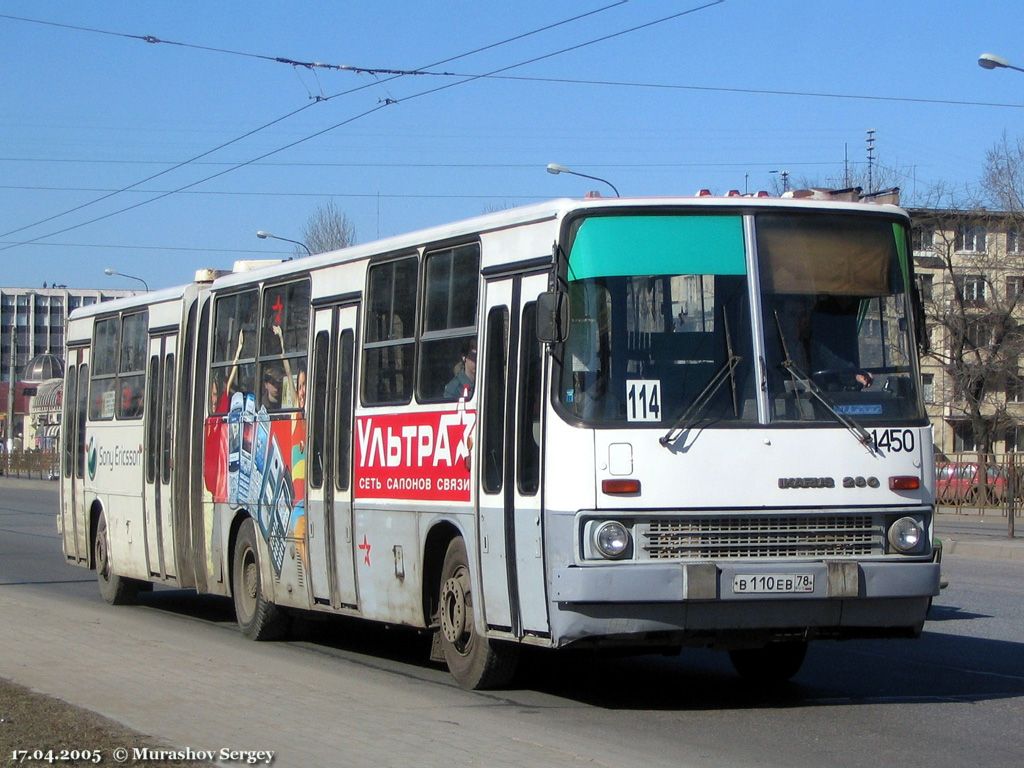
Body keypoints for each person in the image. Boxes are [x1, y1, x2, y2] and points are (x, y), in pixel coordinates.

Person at [773, 296, 872, 389]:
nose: (798, 321)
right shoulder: (773, 349)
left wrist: (856, 375)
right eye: (792, 315)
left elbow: (836, 364)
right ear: (782, 318)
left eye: (802, 315)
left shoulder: (815, 346)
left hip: (818, 399)